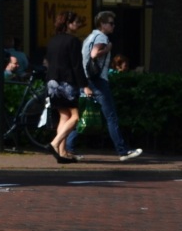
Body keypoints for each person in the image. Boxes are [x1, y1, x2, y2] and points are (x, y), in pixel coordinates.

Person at [69, 10, 142, 162]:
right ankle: (123, 151)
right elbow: (95, 54)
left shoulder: (90, 36)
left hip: (86, 79)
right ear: (102, 24)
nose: (113, 26)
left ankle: (67, 146)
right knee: (111, 117)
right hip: (97, 81)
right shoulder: (101, 37)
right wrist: (108, 49)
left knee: (85, 114)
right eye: (110, 23)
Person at [44, 11, 90, 163]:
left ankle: (62, 154)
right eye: (76, 22)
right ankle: (55, 143)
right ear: (68, 24)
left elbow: (48, 62)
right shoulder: (73, 41)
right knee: (75, 117)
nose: (77, 25)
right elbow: (76, 66)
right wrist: (84, 85)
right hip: (67, 83)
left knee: (64, 116)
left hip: (52, 83)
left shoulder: (52, 41)